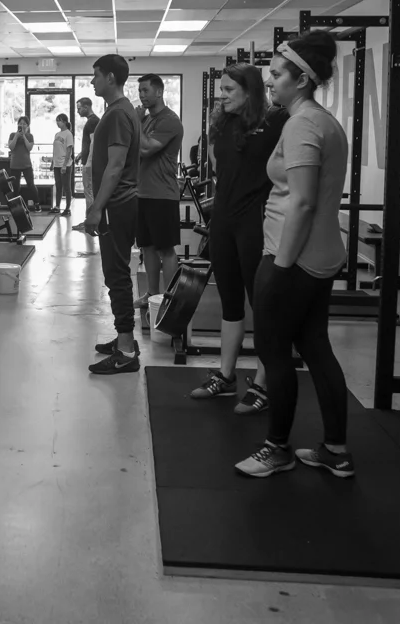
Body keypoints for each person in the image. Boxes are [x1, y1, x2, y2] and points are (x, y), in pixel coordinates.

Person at [236, 31, 354, 479]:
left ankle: (277, 449)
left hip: (293, 257)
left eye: (276, 75)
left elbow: (302, 202)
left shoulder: (302, 124)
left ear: (301, 80)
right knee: (316, 348)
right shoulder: (324, 121)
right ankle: (335, 451)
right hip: (318, 254)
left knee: (273, 351)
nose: (269, 83)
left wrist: (280, 269)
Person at [190, 64, 287, 413]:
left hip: (255, 223)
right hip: (223, 221)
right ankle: (226, 375)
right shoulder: (222, 124)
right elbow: (218, 167)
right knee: (230, 301)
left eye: (230, 90)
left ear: (251, 91)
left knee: (261, 304)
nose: (223, 96)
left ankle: (262, 382)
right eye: (222, 89)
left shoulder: (275, 122)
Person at [86, 54, 142, 375]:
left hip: (117, 205)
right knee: (116, 273)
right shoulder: (119, 110)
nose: (92, 81)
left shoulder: (119, 113)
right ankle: (125, 339)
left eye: (95, 75)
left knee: (116, 275)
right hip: (120, 204)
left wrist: (96, 208)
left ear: (110, 77)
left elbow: (115, 166)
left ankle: (126, 352)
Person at [134, 74, 184, 308]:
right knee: (147, 247)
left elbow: (145, 149)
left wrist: (136, 123)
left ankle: (169, 299)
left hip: (163, 194)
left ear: (159, 92)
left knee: (166, 249)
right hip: (142, 192)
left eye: (145, 90)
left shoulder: (170, 120)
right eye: (140, 91)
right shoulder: (146, 120)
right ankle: (152, 295)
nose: (141, 95)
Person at [73, 97, 99, 233]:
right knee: (89, 192)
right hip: (88, 161)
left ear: (86, 107)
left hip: (90, 164)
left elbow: (94, 144)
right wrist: (81, 154)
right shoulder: (92, 121)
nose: (77, 111)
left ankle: (89, 222)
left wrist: (88, 164)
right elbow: (90, 144)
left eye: (79, 108)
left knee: (89, 193)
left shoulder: (93, 122)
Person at [8, 116, 40, 212]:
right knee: (15, 186)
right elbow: (11, 147)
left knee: (31, 185)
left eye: (24, 124)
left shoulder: (30, 136)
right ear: (17, 125)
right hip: (15, 164)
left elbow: (29, 148)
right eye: (20, 123)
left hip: (26, 164)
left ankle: (37, 204)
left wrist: (24, 136)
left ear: (28, 126)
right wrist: (17, 136)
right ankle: (17, 207)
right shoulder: (12, 135)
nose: (22, 125)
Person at [51, 113, 74, 216]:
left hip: (65, 165)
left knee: (67, 187)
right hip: (57, 164)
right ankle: (57, 206)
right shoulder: (57, 134)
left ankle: (68, 208)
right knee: (58, 186)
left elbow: (69, 151)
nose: (57, 123)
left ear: (64, 122)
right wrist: (52, 162)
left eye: (59, 120)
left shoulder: (68, 134)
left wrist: (64, 165)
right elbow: (55, 150)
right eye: (56, 120)